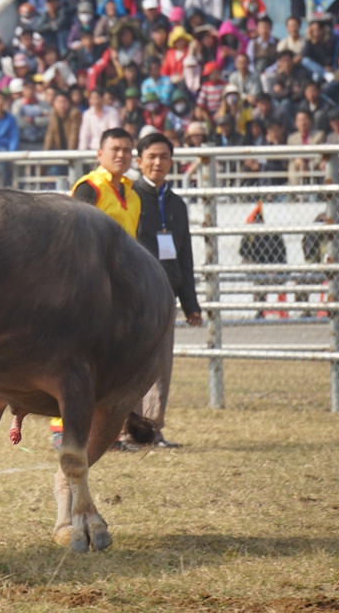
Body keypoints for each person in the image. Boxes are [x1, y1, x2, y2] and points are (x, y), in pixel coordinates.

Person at [129, 132, 203, 447]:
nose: (157, 162)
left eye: (164, 157)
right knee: (132, 364)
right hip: (135, 295)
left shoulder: (177, 204)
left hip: (166, 295)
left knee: (160, 366)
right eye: (152, 156)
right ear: (139, 161)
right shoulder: (130, 197)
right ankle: (127, 430)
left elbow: (184, 256)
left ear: (172, 162)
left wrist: (191, 304)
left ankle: (152, 430)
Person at [71, 127, 139, 238]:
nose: (121, 155)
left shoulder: (133, 195)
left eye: (127, 150)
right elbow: (75, 232)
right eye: (115, 149)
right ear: (100, 154)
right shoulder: (90, 186)